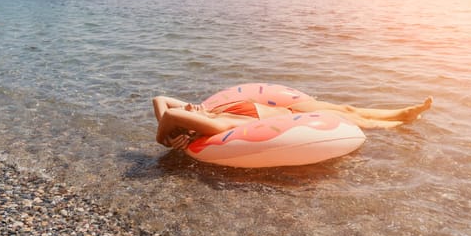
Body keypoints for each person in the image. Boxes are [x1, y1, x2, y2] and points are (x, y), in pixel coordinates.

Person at [153, 93, 433, 150]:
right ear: (190, 125)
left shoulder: (208, 111)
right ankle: (402, 122)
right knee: (355, 120)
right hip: (296, 119)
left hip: (289, 107)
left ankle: (401, 111)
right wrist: (162, 139)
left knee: (347, 106)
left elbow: (159, 99)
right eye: (188, 111)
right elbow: (169, 114)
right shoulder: (217, 125)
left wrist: (197, 109)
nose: (187, 105)